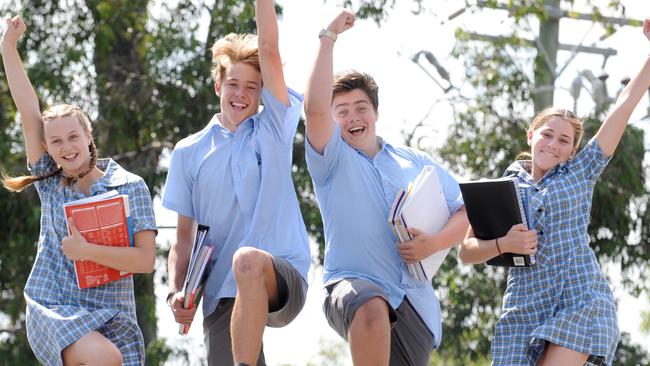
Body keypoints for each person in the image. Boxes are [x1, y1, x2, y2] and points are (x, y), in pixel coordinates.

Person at [459, 19, 650, 366]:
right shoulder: (504, 186)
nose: (553, 144)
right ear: (531, 135)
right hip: (524, 308)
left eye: (564, 140)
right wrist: (504, 245)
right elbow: (467, 251)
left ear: (573, 151)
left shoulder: (580, 172)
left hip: (579, 301)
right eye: (547, 134)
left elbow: (622, 107)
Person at [303, 10, 469, 366]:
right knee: (371, 307)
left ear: (375, 113)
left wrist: (434, 243)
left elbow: (465, 210)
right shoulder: (330, 159)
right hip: (352, 287)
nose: (352, 118)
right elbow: (315, 110)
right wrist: (328, 37)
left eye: (360, 108)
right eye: (342, 111)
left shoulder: (415, 162)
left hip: (415, 307)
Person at [1, 15, 157, 366]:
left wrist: (85, 250)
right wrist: (8, 47)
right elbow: (29, 110)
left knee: (112, 355)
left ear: (89, 137)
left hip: (113, 317)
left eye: (73, 137)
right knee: (104, 358)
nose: (66, 147)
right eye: (56, 141)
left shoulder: (130, 186)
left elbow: (145, 260)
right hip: (57, 307)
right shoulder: (50, 183)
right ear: (47, 147)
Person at [162, 1, 310, 365]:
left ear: (262, 93)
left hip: (280, 272)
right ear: (217, 86)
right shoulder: (188, 152)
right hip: (221, 291)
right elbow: (183, 240)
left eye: (251, 87)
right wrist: (175, 293)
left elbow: (270, 51)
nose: (241, 94)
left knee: (246, 262)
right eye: (233, 84)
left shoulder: (273, 130)